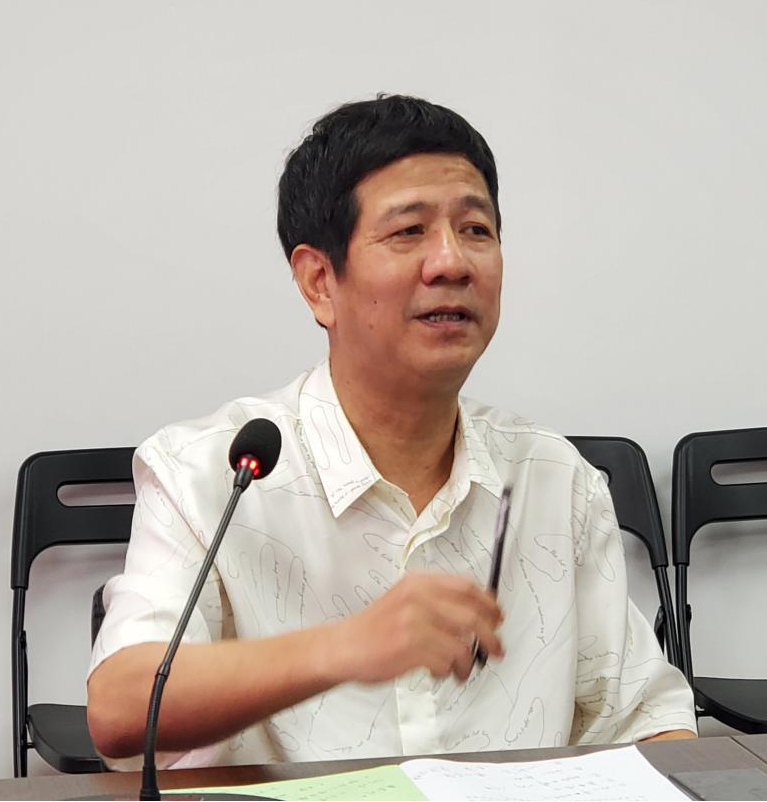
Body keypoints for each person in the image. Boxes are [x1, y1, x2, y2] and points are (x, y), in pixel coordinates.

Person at [87, 95, 696, 770]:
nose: (451, 262)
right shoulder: (209, 471)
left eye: (476, 229)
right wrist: (346, 647)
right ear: (319, 282)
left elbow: (648, 719)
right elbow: (120, 708)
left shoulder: (552, 476)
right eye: (408, 232)